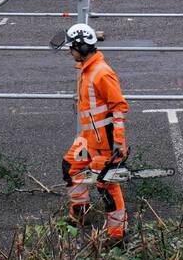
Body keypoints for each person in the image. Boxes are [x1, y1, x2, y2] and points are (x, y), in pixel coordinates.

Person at [51, 23, 128, 242]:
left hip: (105, 142)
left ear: (82, 47)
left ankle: (117, 235)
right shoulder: (86, 69)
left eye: (72, 47)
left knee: (107, 187)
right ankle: (80, 212)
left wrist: (118, 144)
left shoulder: (102, 73)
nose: (69, 51)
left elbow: (119, 107)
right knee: (71, 166)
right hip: (88, 139)